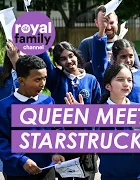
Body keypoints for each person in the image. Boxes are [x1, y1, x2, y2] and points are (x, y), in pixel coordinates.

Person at [65, 63, 140, 180]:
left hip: (136, 176)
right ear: (108, 86)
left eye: (129, 80)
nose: (126, 83)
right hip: (110, 176)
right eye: (120, 80)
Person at [37, 42, 101, 180]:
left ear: (76, 55)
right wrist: (39, 40)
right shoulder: (56, 78)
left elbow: (99, 113)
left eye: (71, 56)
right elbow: (44, 59)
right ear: (58, 62)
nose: (69, 61)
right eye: (63, 58)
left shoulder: (91, 80)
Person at [0, 55, 64, 179]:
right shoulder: (4, 107)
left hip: (47, 170)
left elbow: (56, 130)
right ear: (21, 81)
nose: (43, 84)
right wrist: (21, 160)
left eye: (45, 78)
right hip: (18, 172)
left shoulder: (48, 101)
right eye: (37, 79)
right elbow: (1, 140)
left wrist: (56, 152)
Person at [92, 16, 140, 105]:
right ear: (115, 58)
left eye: (131, 56)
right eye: (123, 57)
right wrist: (101, 31)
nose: (128, 60)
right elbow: (99, 60)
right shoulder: (108, 74)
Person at [78, 5, 140, 73]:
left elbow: (139, 72)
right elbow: (78, 71)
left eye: (111, 23)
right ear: (96, 23)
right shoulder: (86, 44)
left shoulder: (125, 44)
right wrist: (97, 60)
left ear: (117, 20)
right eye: (104, 23)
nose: (108, 27)